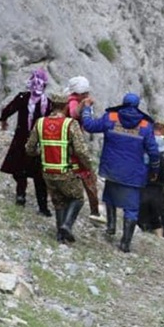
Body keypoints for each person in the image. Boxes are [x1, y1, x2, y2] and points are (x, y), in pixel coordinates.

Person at [81, 93, 160, 253]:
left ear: (123, 103)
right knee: (131, 209)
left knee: (110, 196)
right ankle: (125, 243)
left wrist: (87, 108)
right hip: (133, 173)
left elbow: (89, 125)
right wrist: (155, 169)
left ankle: (111, 227)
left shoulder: (111, 117)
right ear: (137, 105)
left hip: (112, 168)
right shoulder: (145, 125)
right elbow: (153, 152)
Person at [25, 96, 97, 244]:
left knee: (58, 202)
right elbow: (81, 151)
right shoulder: (70, 124)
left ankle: (60, 236)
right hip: (66, 171)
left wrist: (42, 152)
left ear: (52, 106)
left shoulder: (40, 123)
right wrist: (88, 166)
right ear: (65, 107)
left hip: (47, 171)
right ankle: (66, 225)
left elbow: (29, 148)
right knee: (77, 198)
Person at [0, 69, 51, 216]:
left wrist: (3, 120)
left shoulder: (22, 98)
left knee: (19, 169)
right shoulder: (47, 103)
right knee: (39, 175)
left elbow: (8, 109)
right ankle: (43, 207)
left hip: (21, 139)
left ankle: (20, 195)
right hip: (39, 143)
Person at [65, 75, 104, 223]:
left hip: (67, 143)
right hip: (74, 144)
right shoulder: (74, 102)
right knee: (88, 176)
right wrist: (85, 106)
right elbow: (75, 113)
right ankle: (94, 211)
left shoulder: (67, 100)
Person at [139, 122, 164, 238]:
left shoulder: (141, 156)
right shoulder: (160, 159)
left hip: (142, 190)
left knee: (142, 215)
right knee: (162, 212)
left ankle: (142, 231)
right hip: (157, 191)